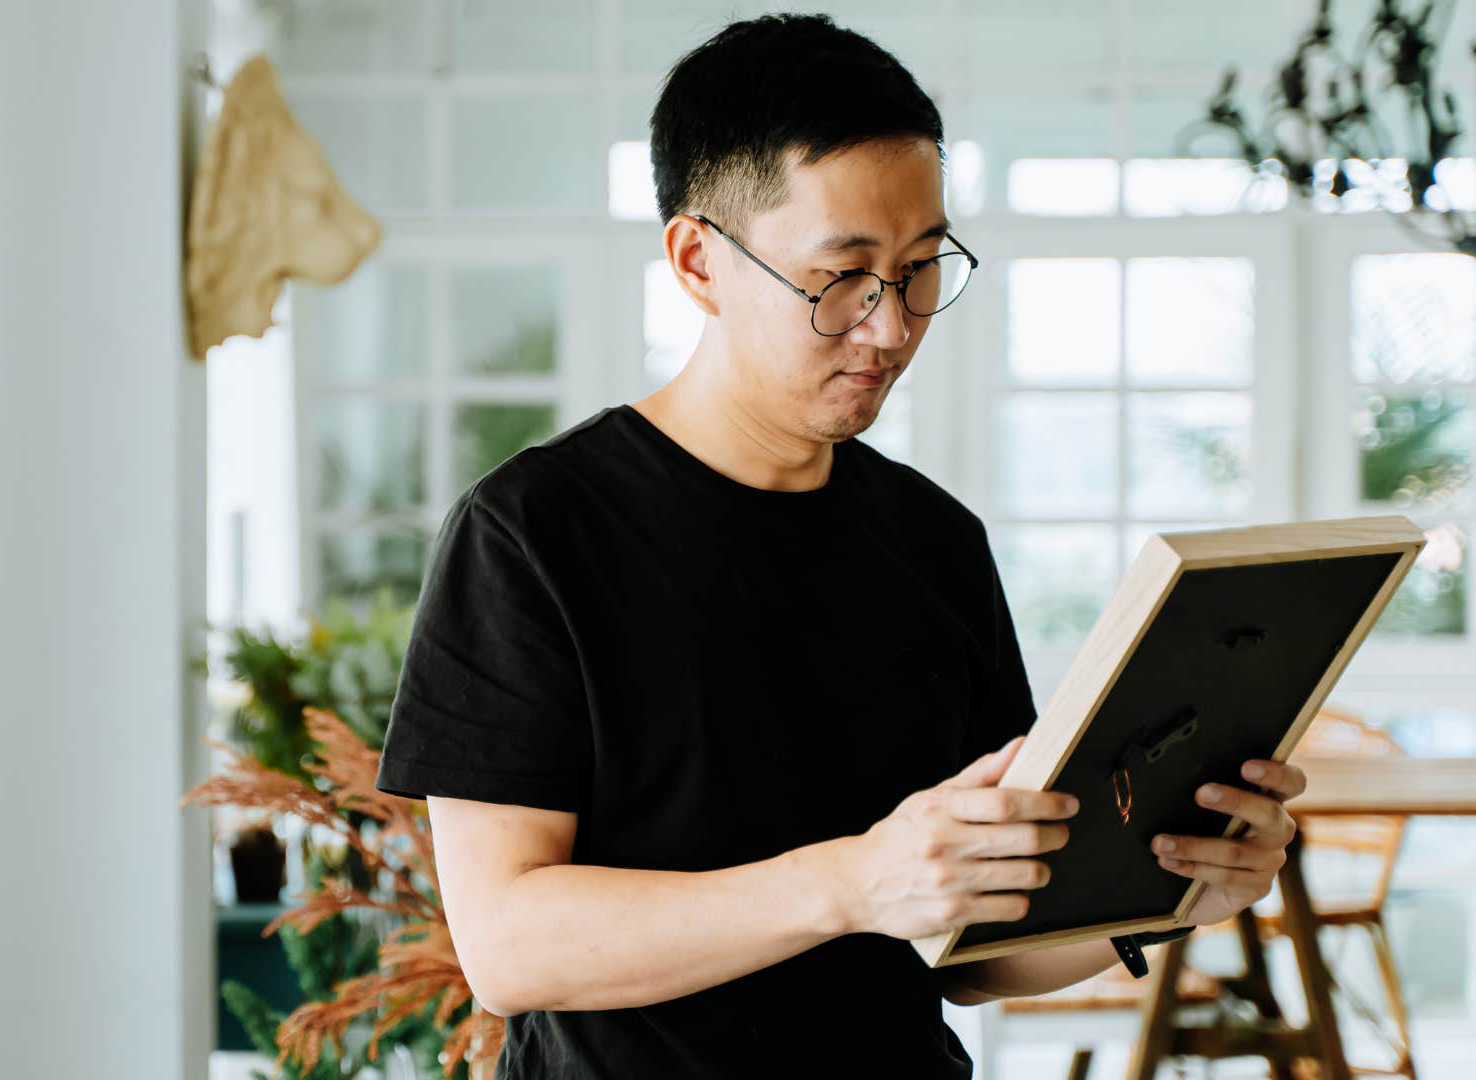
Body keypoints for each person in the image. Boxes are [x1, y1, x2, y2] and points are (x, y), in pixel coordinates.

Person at [373, 13, 1305, 1077]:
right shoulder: (533, 535)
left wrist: (1173, 893)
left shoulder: (934, 541)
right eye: (842, 277)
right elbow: (509, 947)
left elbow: (971, 953)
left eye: (919, 266)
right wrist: (852, 882)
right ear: (697, 262)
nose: (892, 324)